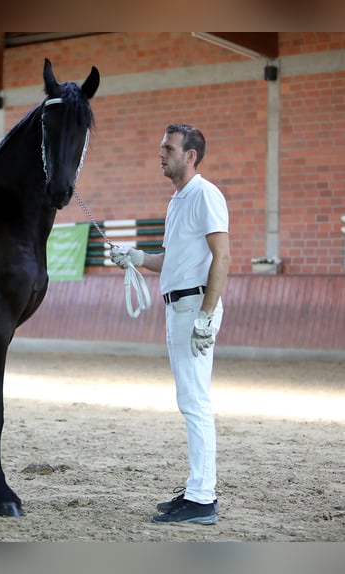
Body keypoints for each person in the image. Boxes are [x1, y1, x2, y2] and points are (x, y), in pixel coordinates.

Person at [110, 123, 230, 525]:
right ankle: (198, 489)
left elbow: (223, 258)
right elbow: (172, 260)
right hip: (177, 307)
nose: (160, 153)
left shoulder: (205, 194)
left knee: (195, 402)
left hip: (195, 308)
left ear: (190, 155)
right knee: (189, 400)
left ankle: (202, 499)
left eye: (168, 148)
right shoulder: (177, 200)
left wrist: (206, 316)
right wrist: (137, 257)